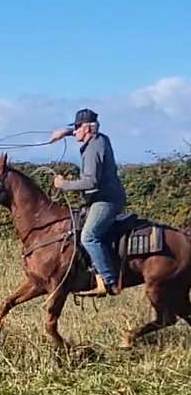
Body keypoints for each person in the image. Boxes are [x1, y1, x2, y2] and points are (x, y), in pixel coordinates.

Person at [50, 108, 127, 296]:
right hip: (101, 198)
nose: (75, 130)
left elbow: (91, 181)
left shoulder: (93, 148)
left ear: (87, 129)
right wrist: (65, 132)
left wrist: (64, 184)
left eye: (77, 127)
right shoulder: (98, 139)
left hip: (105, 201)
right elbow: (85, 131)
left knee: (88, 236)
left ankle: (109, 281)